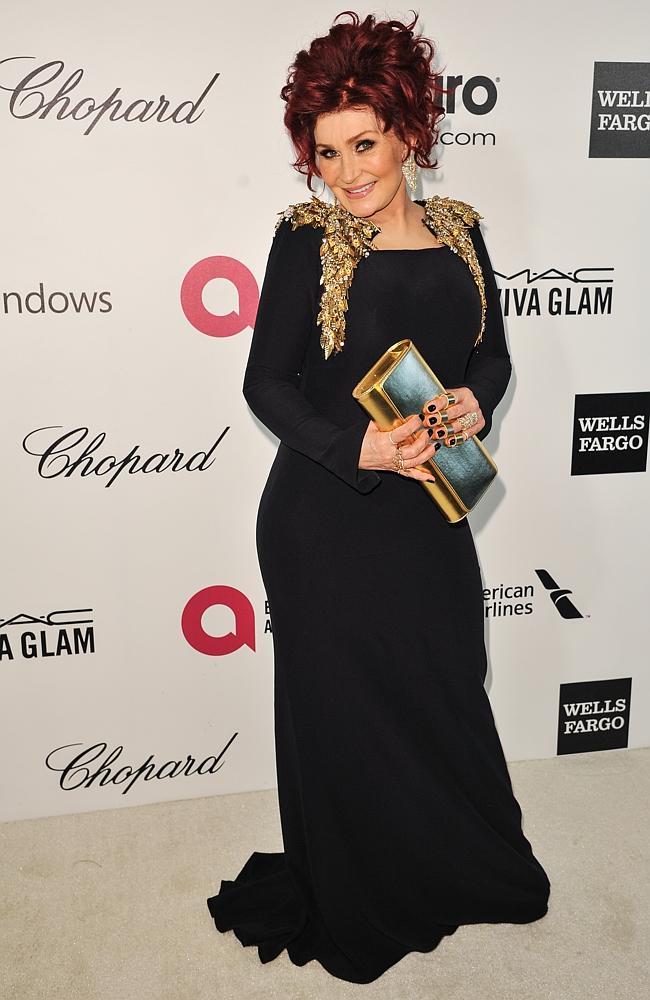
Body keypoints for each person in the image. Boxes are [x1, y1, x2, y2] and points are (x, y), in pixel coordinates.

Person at [207, 9, 551, 985]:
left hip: (429, 504)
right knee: (345, 710)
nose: (347, 170)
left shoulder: (459, 233)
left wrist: (467, 406)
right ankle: (363, 891)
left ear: (407, 130)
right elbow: (265, 384)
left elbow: (490, 356)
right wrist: (358, 443)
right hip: (325, 514)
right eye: (325, 152)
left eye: (363, 143)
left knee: (440, 685)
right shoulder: (305, 242)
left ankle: (451, 862)